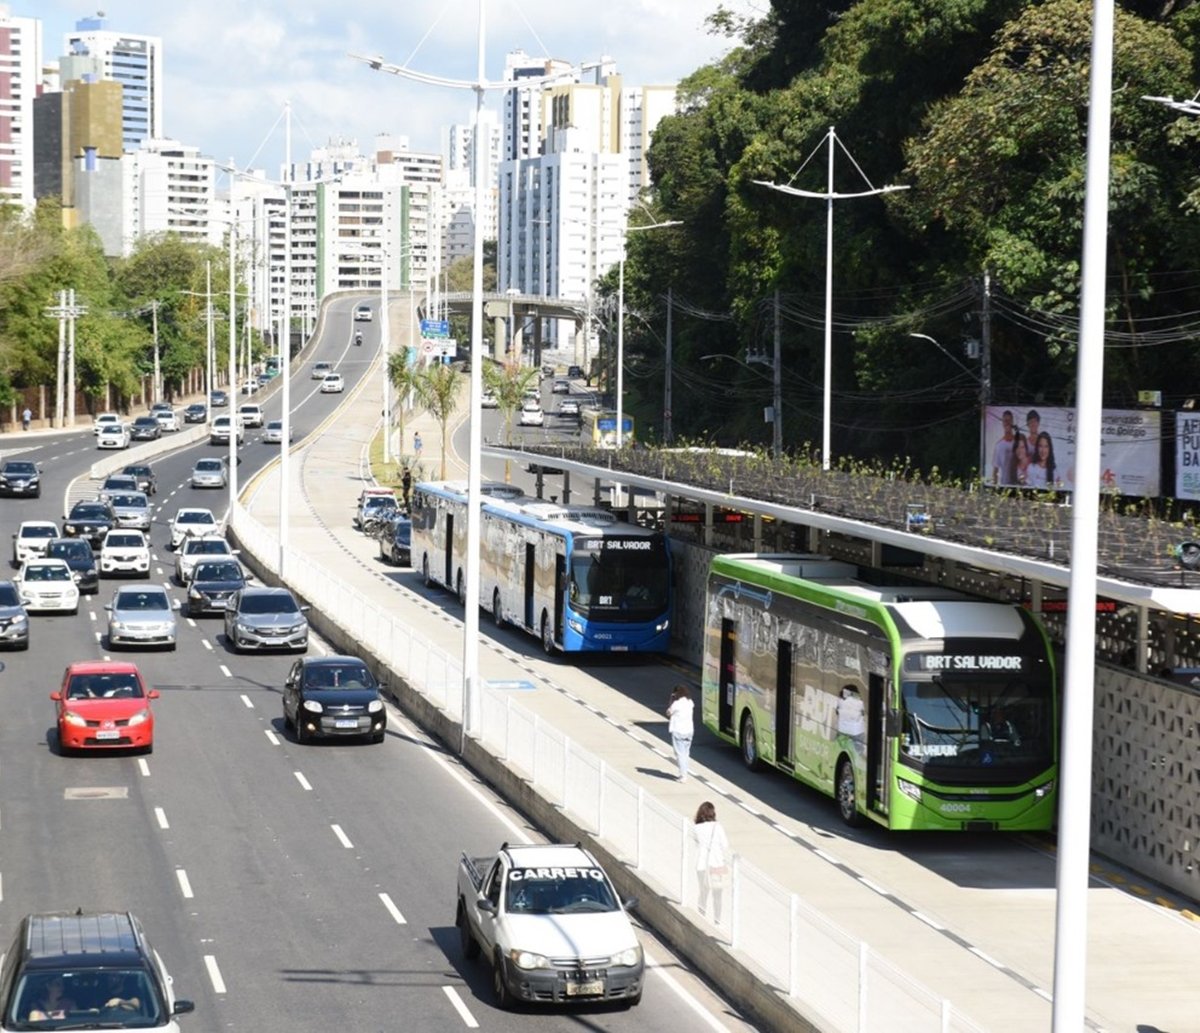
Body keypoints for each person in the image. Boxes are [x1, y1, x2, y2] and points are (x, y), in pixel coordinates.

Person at [693, 801, 731, 922]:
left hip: (702, 865)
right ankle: (717, 920)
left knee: (703, 892)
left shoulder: (696, 828)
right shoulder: (717, 827)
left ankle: (701, 917)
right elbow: (725, 845)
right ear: (712, 813)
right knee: (717, 895)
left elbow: (696, 843)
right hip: (716, 865)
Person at [666, 683, 694, 782]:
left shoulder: (676, 704)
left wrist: (671, 699)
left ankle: (683, 775)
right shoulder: (690, 702)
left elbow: (668, 713)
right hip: (689, 731)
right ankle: (685, 771)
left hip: (678, 731)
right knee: (686, 753)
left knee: (679, 754)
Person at [990, 410, 1015, 485]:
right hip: (1005, 486)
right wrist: (994, 487)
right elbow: (995, 470)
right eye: (1005, 421)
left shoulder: (1019, 442)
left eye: (1009, 420)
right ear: (1002, 423)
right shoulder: (999, 445)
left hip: (1019, 485)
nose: (1007, 423)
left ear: (1012, 422)